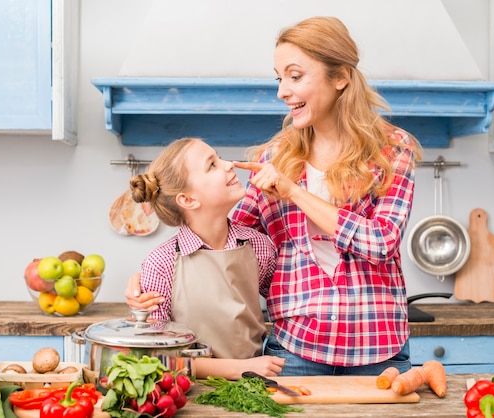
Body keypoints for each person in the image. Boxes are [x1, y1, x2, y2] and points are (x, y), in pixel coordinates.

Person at [126, 16, 423, 377]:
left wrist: (293, 191)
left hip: (378, 349)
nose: (282, 91)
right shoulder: (276, 156)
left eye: (295, 76)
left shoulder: (392, 150)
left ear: (341, 77)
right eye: (279, 78)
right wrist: (152, 278)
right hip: (295, 352)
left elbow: (382, 242)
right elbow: (224, 238)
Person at [127, 137, 285, 380]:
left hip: (255, 386)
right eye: (212, 165)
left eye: (218, 157)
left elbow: (285, 308)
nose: (229, 165)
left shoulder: (259, 246)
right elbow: (155, 357)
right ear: (188, 200)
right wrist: (239, 368)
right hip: (189, 389)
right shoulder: (162, 263)